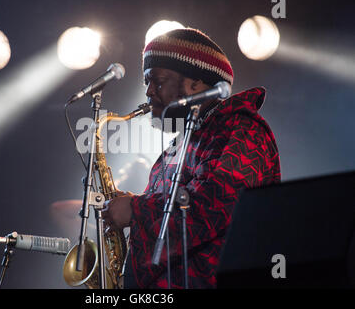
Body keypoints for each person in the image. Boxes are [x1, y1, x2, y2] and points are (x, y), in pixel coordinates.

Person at [103, 28, 281, 289]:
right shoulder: (179, 146)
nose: (149, 91)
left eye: (158, 80)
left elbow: (217, 204)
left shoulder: (242, 129)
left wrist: (136, 209)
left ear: (196, 83)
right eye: (146, 83)